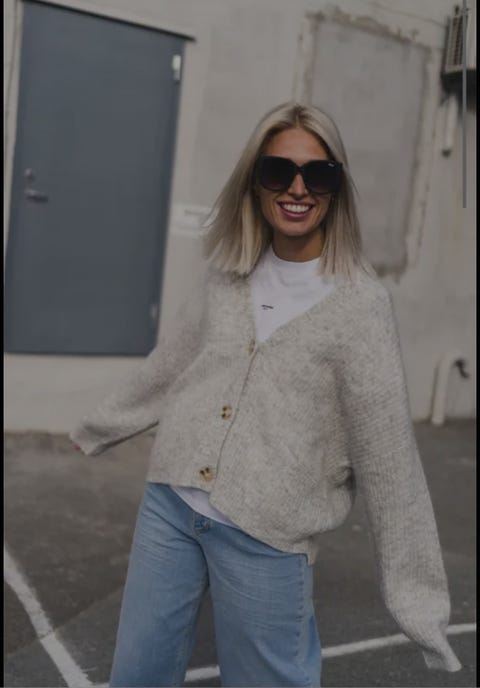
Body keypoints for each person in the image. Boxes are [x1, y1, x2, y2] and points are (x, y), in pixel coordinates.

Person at [70, 102, 462, 687]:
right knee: (137, 677)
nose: (297, 189)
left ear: (336, 188)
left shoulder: (360, 308)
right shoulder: (227, 273)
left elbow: (390, 460)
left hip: (268, 537)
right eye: (279, 171)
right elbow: (171, 365)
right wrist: (98, 428)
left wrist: (419, 604)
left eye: (317, 174)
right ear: (255, 182)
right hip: (171, 507)